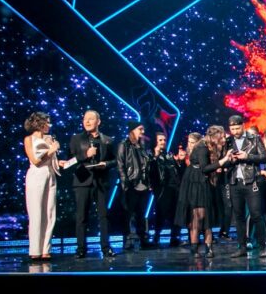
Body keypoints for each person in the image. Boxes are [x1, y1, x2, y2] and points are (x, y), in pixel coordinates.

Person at [69, 110, 116, 258]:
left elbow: (115, 160)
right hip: (82, 181)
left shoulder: (108, 140)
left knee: (104, 216)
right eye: (85, 119)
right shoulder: (76, 139)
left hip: (101, 181)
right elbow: (69, 161)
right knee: (81, 216)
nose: (87, 122)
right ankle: (81, 249)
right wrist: (85, 155)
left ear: (98, 122)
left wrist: (106, 164)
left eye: (90, 119)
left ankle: (106, 247)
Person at [176, 129, 225, 257]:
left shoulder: (208, 147)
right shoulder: (202, 147)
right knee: (198, 215)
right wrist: (222, 161)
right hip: (195, 182)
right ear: (214, 137)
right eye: (221, 138)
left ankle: (206, 247)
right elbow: (204, 168)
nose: (223, 140)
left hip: (201, 181)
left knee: (204, 215)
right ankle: (196, 247)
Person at [225, 116, 266, 259]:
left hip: (251, 181)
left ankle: (262, 247)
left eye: (237, 128)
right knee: (238, 217)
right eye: (232, 129)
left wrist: (247, 156)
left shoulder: (254, 138)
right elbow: (224, 162)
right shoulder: (228, 141)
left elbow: (264, 157)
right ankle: (242, 247)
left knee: (256, 214)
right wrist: (229, 160)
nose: (235, 132)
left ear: (243, 126)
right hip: (234, 182)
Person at [23, 112, 64, 261]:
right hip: (36, 175)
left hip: (50, 174)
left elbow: (51, 160)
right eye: (46, 122)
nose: (49, 125)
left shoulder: (49, 138)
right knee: (36, 212)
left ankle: (46, 249)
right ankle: (35, 250)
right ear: (38, 123)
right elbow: (35, 161)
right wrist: (51, 151)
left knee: (50, 212)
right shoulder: (29, 139)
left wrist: (59, 162)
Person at [116, 121, 153, 251]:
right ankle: (128, 240)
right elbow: (120, 164)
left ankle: (143, 239)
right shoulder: (124, 144)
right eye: (140, 129)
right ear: (132, 130)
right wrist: (125, 183)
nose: (143, 131)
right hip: (131, 184)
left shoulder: (142, 146)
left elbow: (145, 165)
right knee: (128, 214)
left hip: (143, 184)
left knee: (140, 213)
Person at [151, 132, 185, 247]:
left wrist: (180, 162)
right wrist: (155, 157)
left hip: (174, 188)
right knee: (161, 214)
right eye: (160, 140)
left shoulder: (169, 155)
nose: (163, 142)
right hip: (162, 189)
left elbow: (176, 171)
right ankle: (156, 238)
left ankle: (174, 238)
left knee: (176, 214)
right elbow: (150, 170)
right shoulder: (151, 155)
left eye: (164, 140)